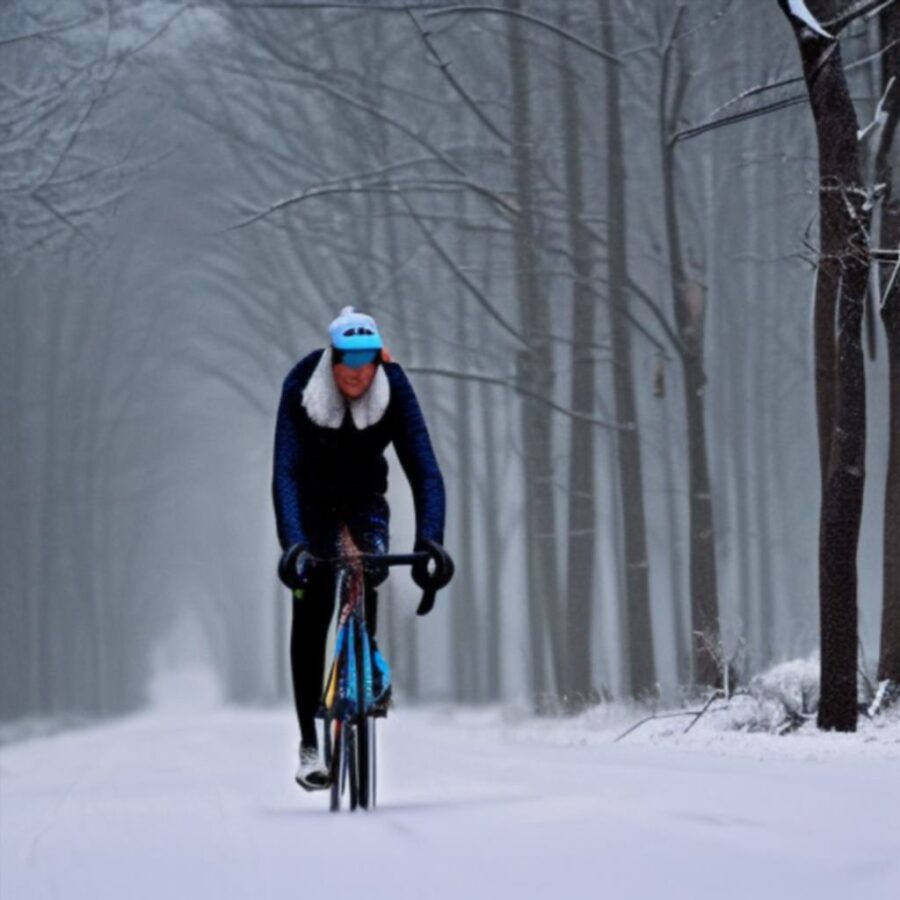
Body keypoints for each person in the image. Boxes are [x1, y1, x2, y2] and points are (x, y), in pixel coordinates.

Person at [272, 306, 449, 790]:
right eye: (348, 360)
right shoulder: (300, 385)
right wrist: (293, 547)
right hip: (310, 507)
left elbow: (425, 470)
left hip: (365, 500)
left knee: (370, 567)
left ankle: (365, 661)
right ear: (332, 358)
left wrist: (430, 540)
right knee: (312, 609)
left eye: (367, 360)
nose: (357, 371)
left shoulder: (393, 385)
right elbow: (284, 473)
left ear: (377, 360)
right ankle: (310, 743)